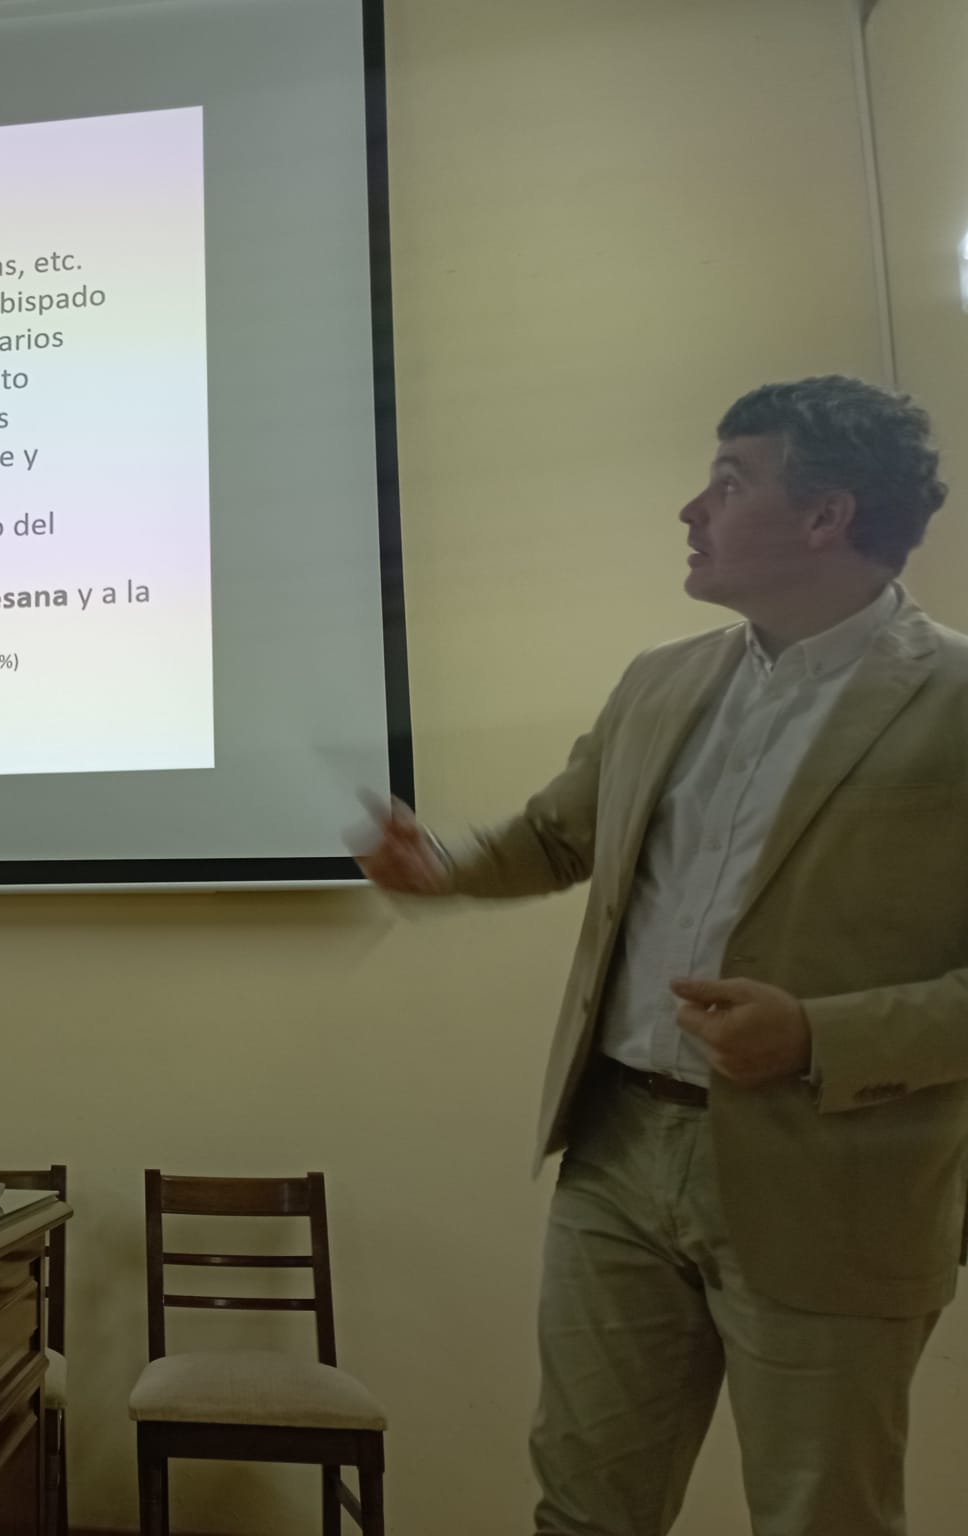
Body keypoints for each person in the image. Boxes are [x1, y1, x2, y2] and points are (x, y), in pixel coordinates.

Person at [357, 376, 962, 1536]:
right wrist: (442, 864)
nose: (692, 509)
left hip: (838, 1179)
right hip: (620, 1150)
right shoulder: (663, 680)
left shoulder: (955, 701)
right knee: (585, 1508)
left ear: (826, 515)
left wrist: (817, 1035)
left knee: (824, 1515)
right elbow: (556, 835)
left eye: (729, 483)